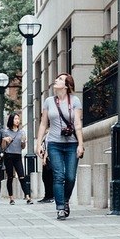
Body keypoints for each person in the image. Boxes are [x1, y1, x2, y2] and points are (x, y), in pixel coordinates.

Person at [36, 73, 84, 220]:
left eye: (60, 79)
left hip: (71, 144)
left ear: (67, 85)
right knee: (58, 176)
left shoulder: (75, 101)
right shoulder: (49, 101)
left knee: (70, 177)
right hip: (54, 143)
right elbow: (44, 123)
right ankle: (60, 208)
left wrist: (81, 144)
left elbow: (77, 124)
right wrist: (39, 144)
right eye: (56, 78)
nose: (56, 80)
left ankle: (65, 200)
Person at [1, 113, 33, 205]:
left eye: (18, 119)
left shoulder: (22, 132)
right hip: (8, 156)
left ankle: (27, 197)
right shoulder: (5, 132)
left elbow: (22, 147)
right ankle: (11, 198)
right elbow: (3, 147)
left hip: (17, 156)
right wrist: (4, 140)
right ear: (11, 120)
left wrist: (23, 141)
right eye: (15, 119)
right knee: (10, 177)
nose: (17, 120)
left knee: (22, 176)